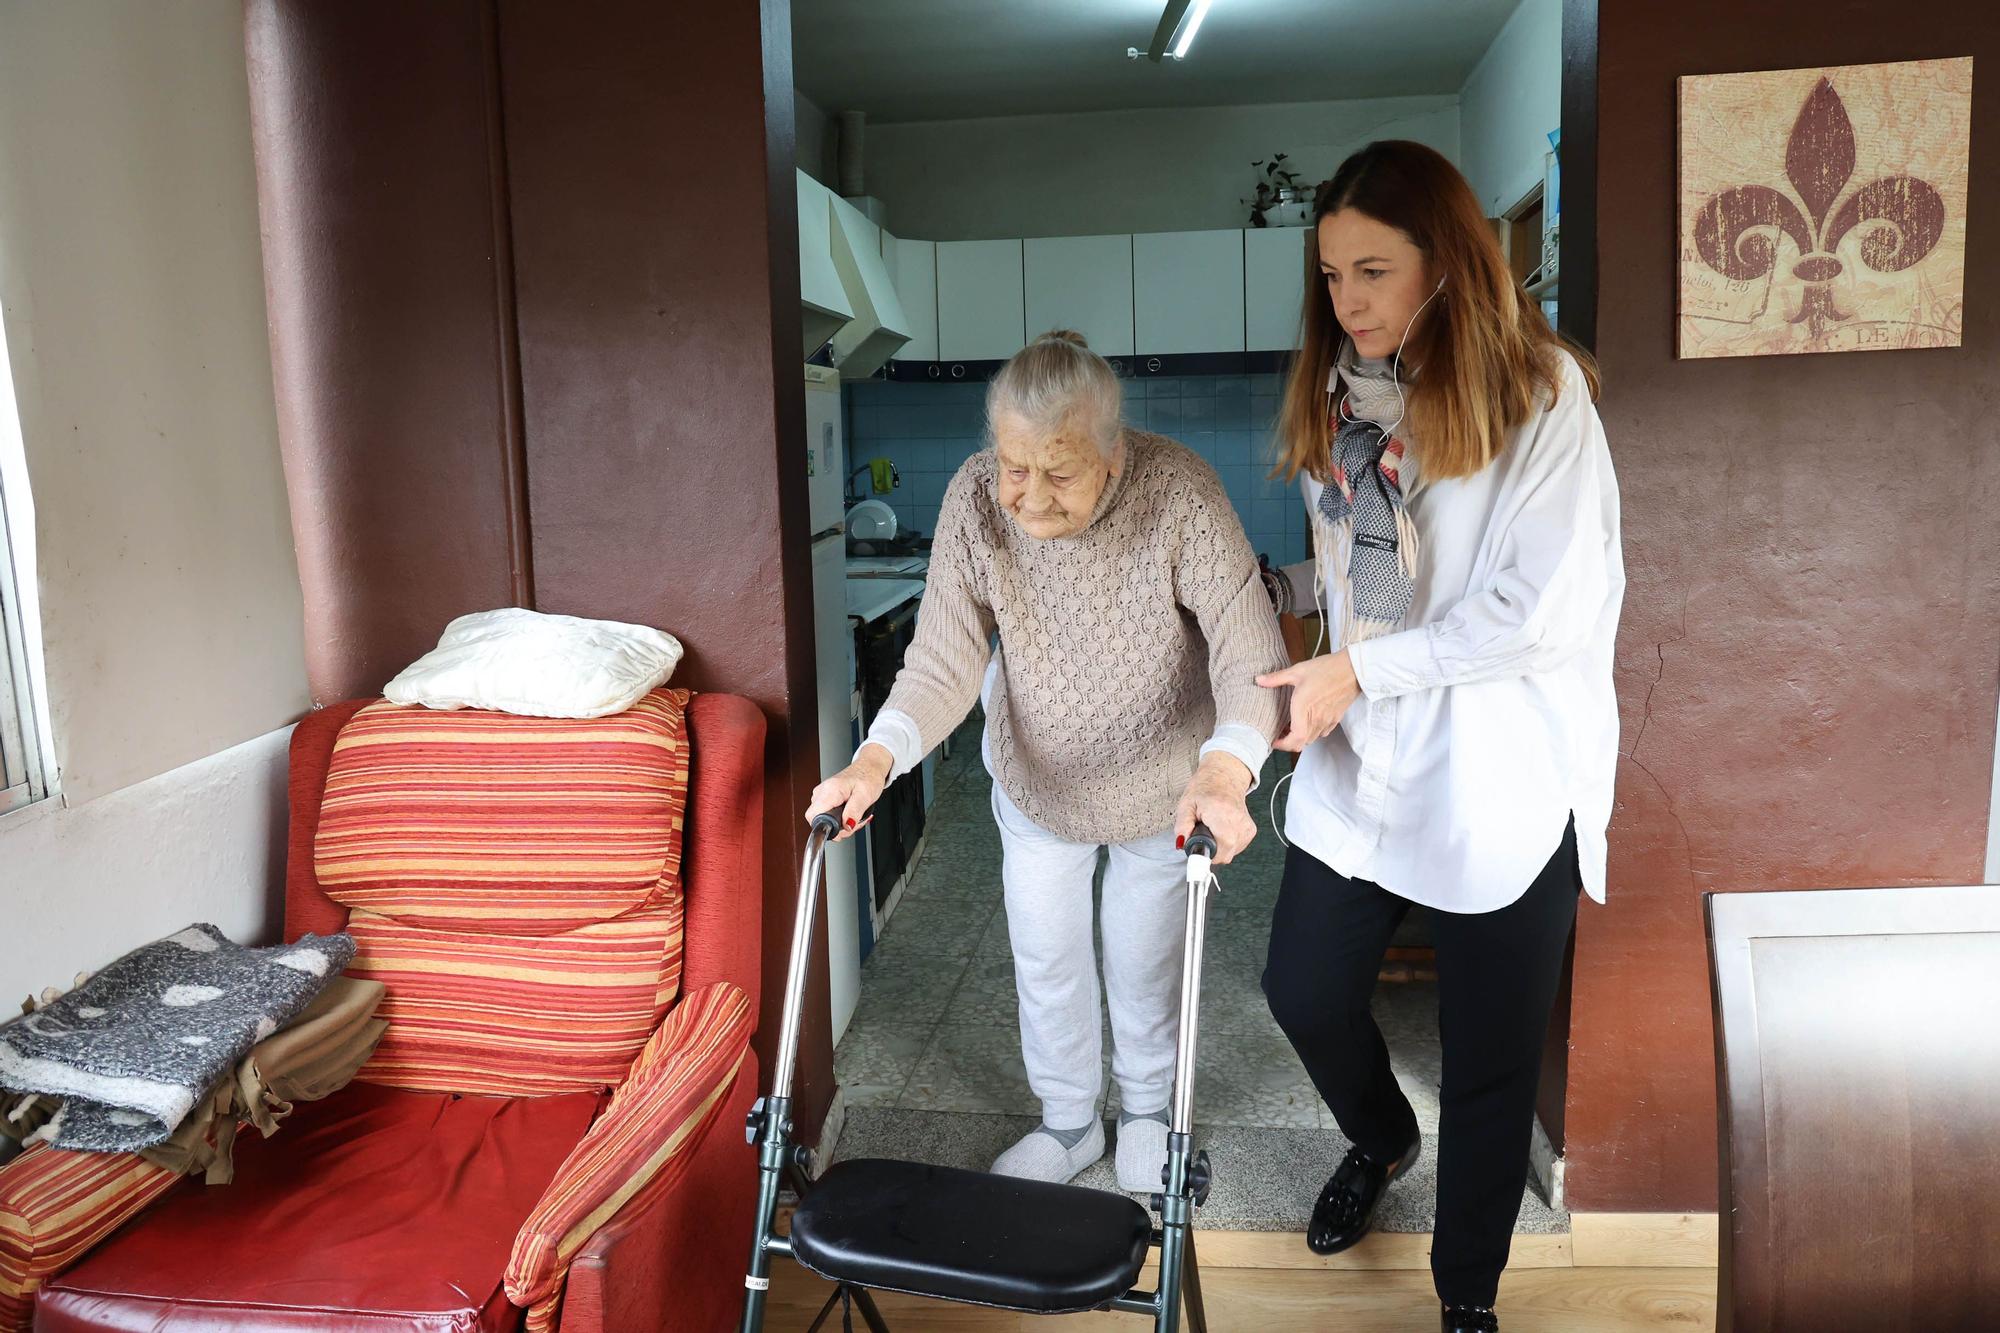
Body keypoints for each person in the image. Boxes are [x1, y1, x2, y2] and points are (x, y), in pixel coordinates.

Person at [1254, 141, 1624, 1333]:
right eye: (1329, 275)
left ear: (1448, 263)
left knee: (1488, 1060)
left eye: (1372, 269)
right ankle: (1379, 1136)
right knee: (1301, 989)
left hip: (1501, 776)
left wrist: (1357, 669)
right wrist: (1308, 639)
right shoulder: (1341, 403)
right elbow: (1349, 582)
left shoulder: (1541, 396)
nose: (1345, 300)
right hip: (1365, 760)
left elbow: (1533, 612)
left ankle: (1466, 1293)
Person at [809, 330, 1289, 1192]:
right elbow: (944, 659)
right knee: (1047, 956)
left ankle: (1144, 1111)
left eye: (1058, 471)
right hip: (1035, 783)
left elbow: (1246, 651)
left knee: (1144, 960)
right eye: (1013, 466)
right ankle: (1069, 1124)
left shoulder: (1178, 489)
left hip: (1161, 783)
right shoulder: (974, 499)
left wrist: (1225, 768)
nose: (1027, 497)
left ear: (1114, 455)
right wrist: (875, 757)